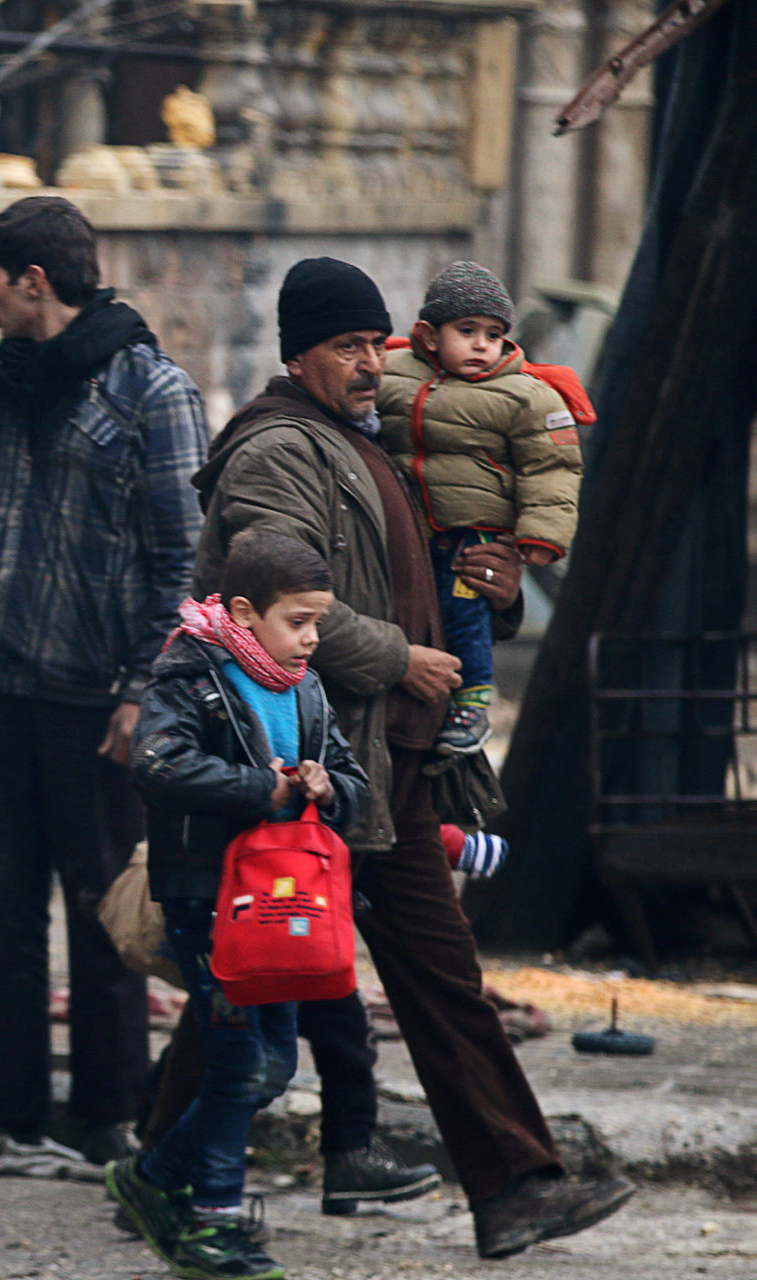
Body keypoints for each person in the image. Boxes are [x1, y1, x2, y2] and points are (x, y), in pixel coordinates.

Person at [193, 256, 633, 1259]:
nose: (364, 362)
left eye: (370, 342)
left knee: (400, 970)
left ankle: (515, 1182)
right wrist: (402, 657)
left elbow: (422, 565)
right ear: (297, 351)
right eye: (344, 345)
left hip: (382, 755)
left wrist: (496, 582)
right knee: (263, 964)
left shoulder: (369, 438)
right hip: (317, 754)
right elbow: (261, 603)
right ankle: (168, 1160)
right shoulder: (273, 452)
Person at [0, 195, 207, 1164]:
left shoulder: (150, 390)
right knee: (1, 912)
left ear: (35, 281)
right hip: (1, 687)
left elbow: (182, 559)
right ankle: (3, 1112)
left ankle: (109, 1114)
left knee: (105, 916)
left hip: (98, 701)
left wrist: (144, 689)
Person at [110, 529, 368, 1280]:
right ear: (247, 613)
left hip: (284, 901)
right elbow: (158, 764)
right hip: (206, 898)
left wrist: (328, 787)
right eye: (299, 621)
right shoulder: (190, 673)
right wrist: (264, 789)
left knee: (275, 1064)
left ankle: (152, 1179)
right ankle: (212, 1223)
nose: (312, 639)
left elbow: (351, 778)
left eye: (319, 621)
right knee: (236, 1062)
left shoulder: (307, 688)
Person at [378, 260, 583, 754]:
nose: (480, 345)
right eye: (466, 330)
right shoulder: (392, 372)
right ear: (429, 335)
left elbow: (552, 468)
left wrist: (541, 535)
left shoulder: (525, 394)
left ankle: (471, 704)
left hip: (473, 530)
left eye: (493, 334)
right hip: (407, 527)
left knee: (465, 611)